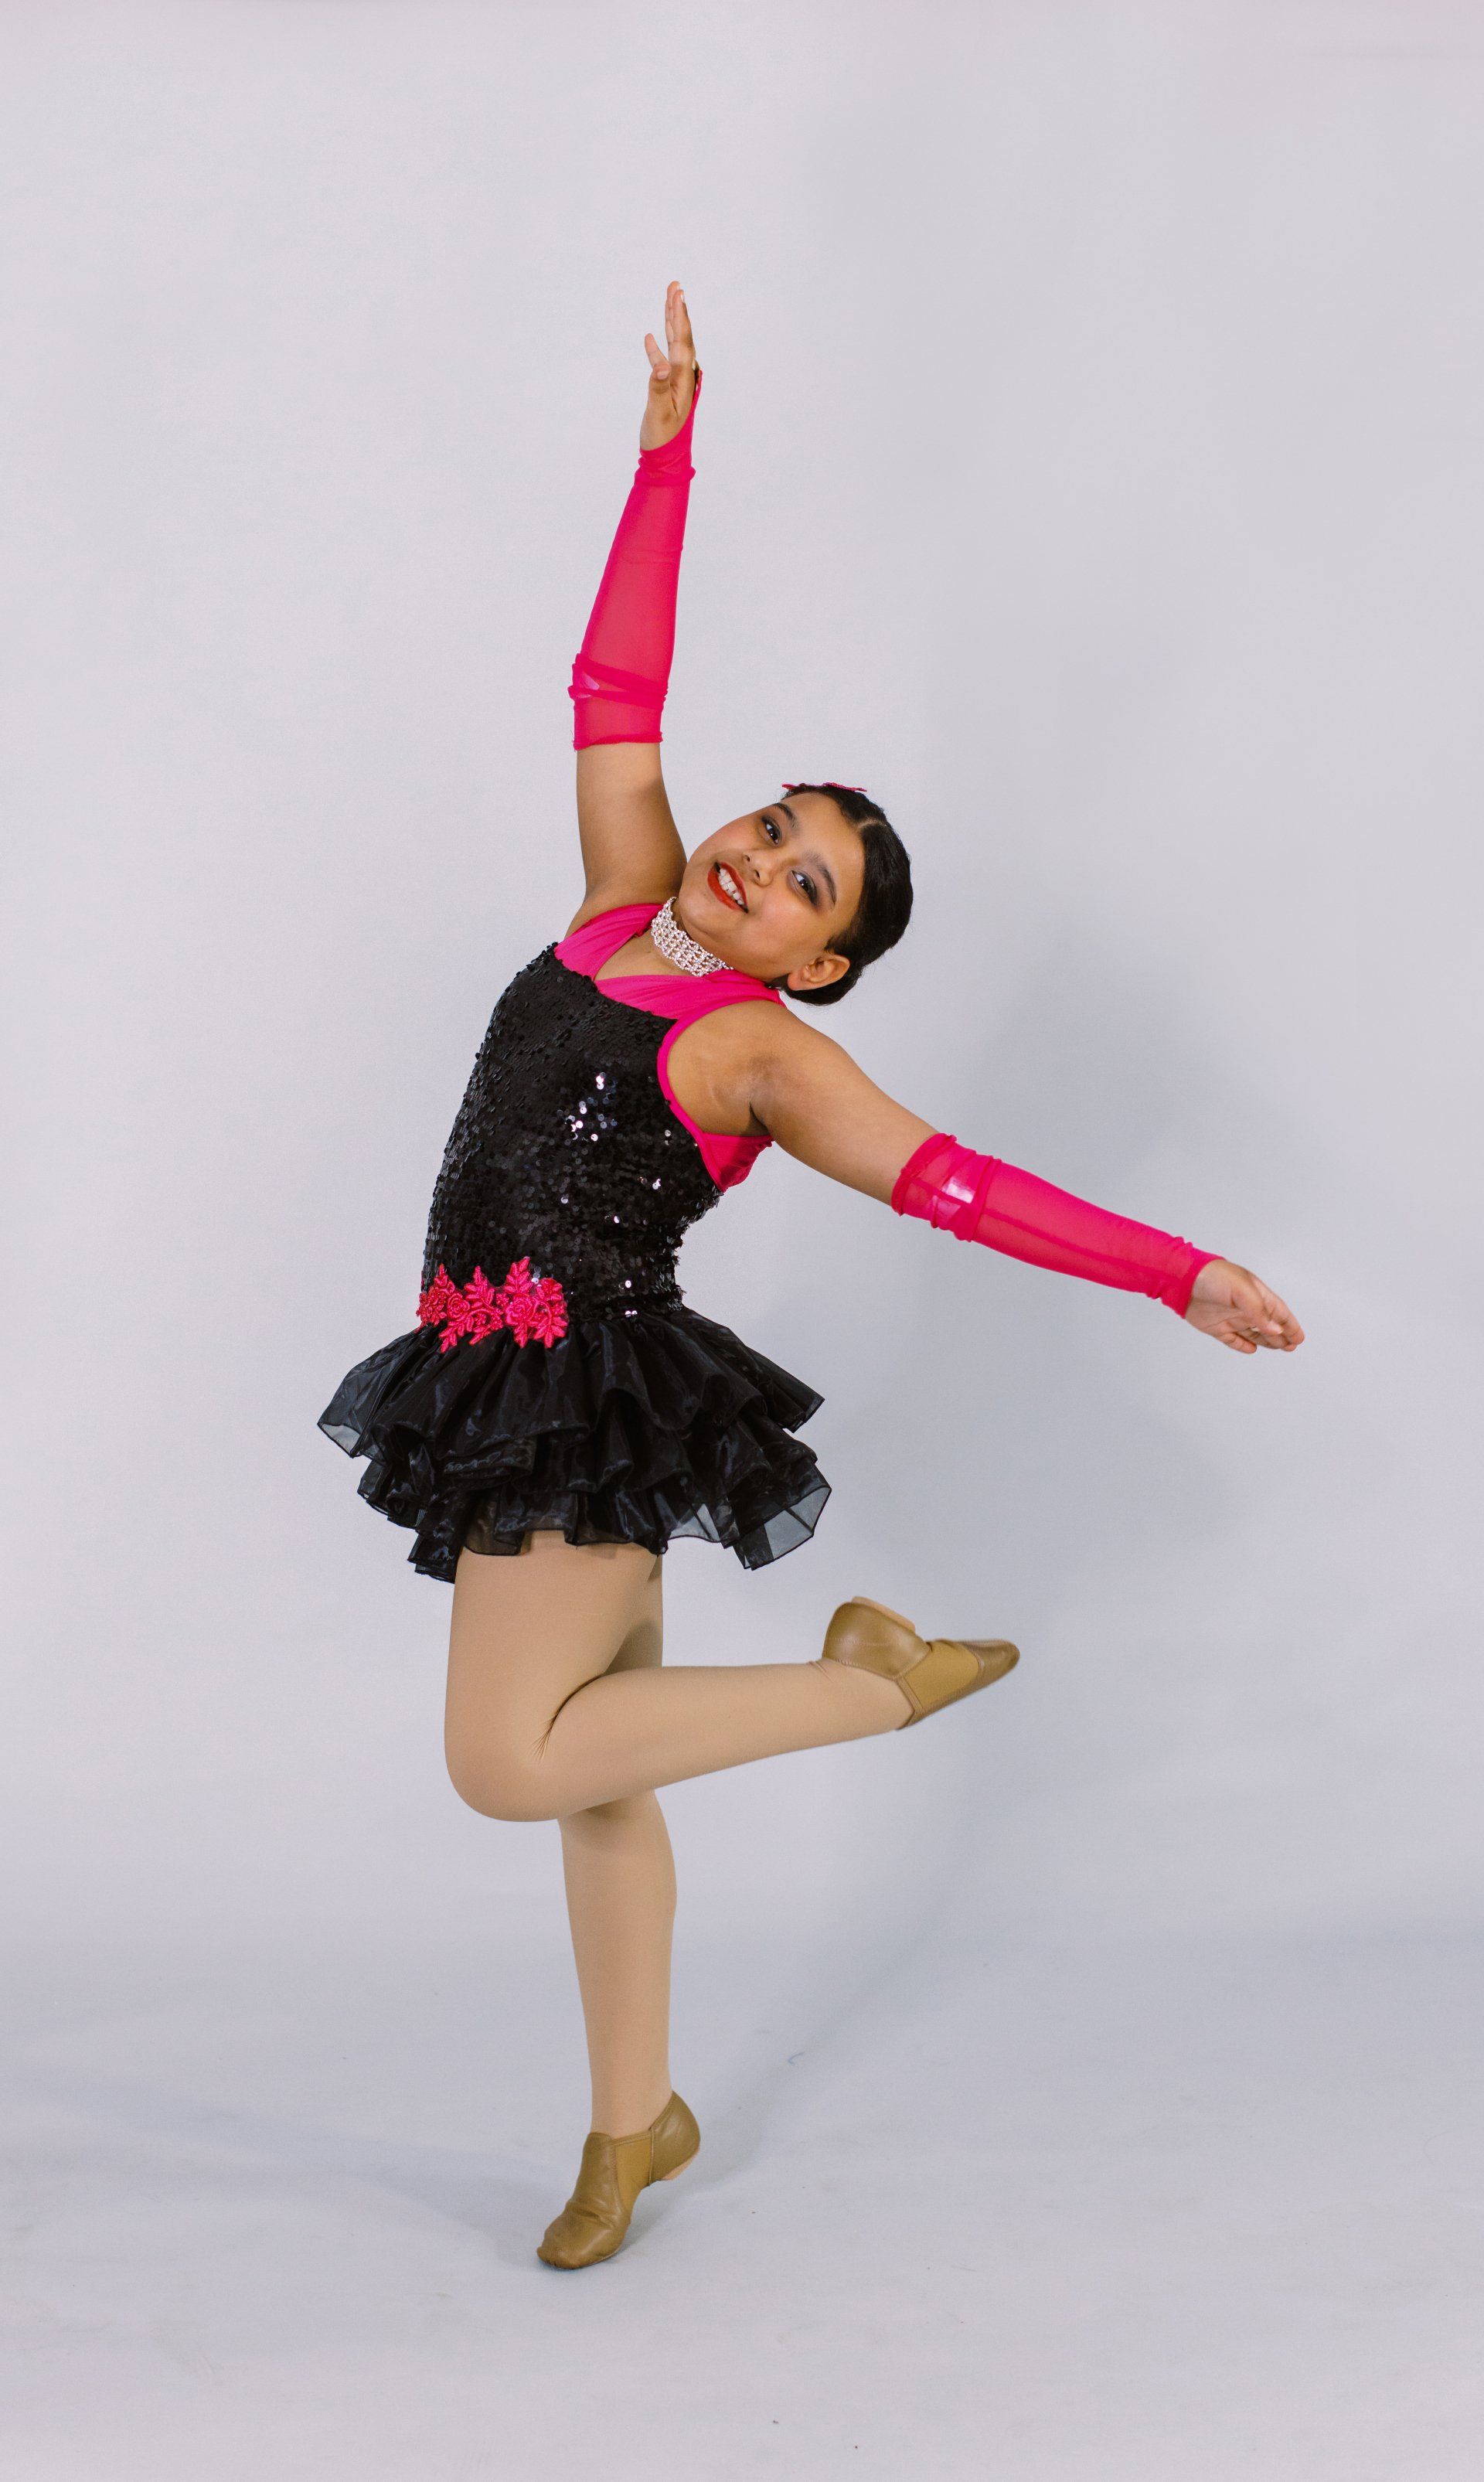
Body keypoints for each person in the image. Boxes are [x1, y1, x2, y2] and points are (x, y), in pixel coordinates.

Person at [320, 281, 1304, 2272]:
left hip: (583, 1389)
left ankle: (870, 1690)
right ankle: (634, 2124)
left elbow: (963, 1187)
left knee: (510, 1762)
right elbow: (613, 687)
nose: (756, 859)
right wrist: (669, 452)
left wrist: (1171, 1266)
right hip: (491, 1360)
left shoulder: (764, 1057)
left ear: (819, 963)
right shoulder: (616, 904)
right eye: (772, 825)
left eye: (803, 880)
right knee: (602, 1774)